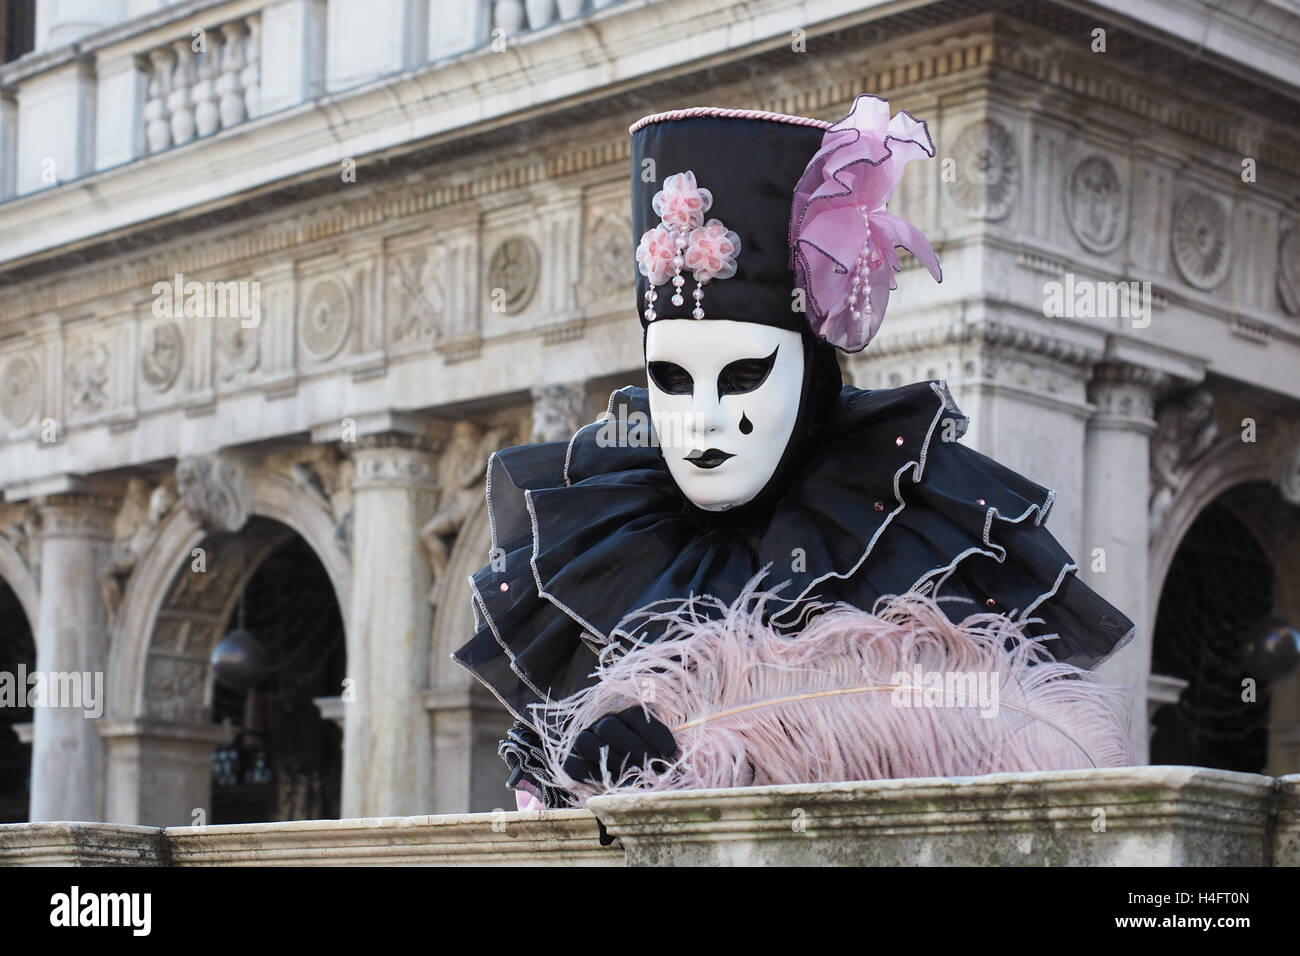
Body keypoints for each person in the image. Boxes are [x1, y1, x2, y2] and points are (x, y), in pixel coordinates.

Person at [453, 95, 1135, 809]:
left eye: (746, 376)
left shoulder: (920, 538)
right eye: (671, 380)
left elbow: (1021, 783)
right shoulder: (616, 549)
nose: (703, 423)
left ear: (810, 375)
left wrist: (733, 753)